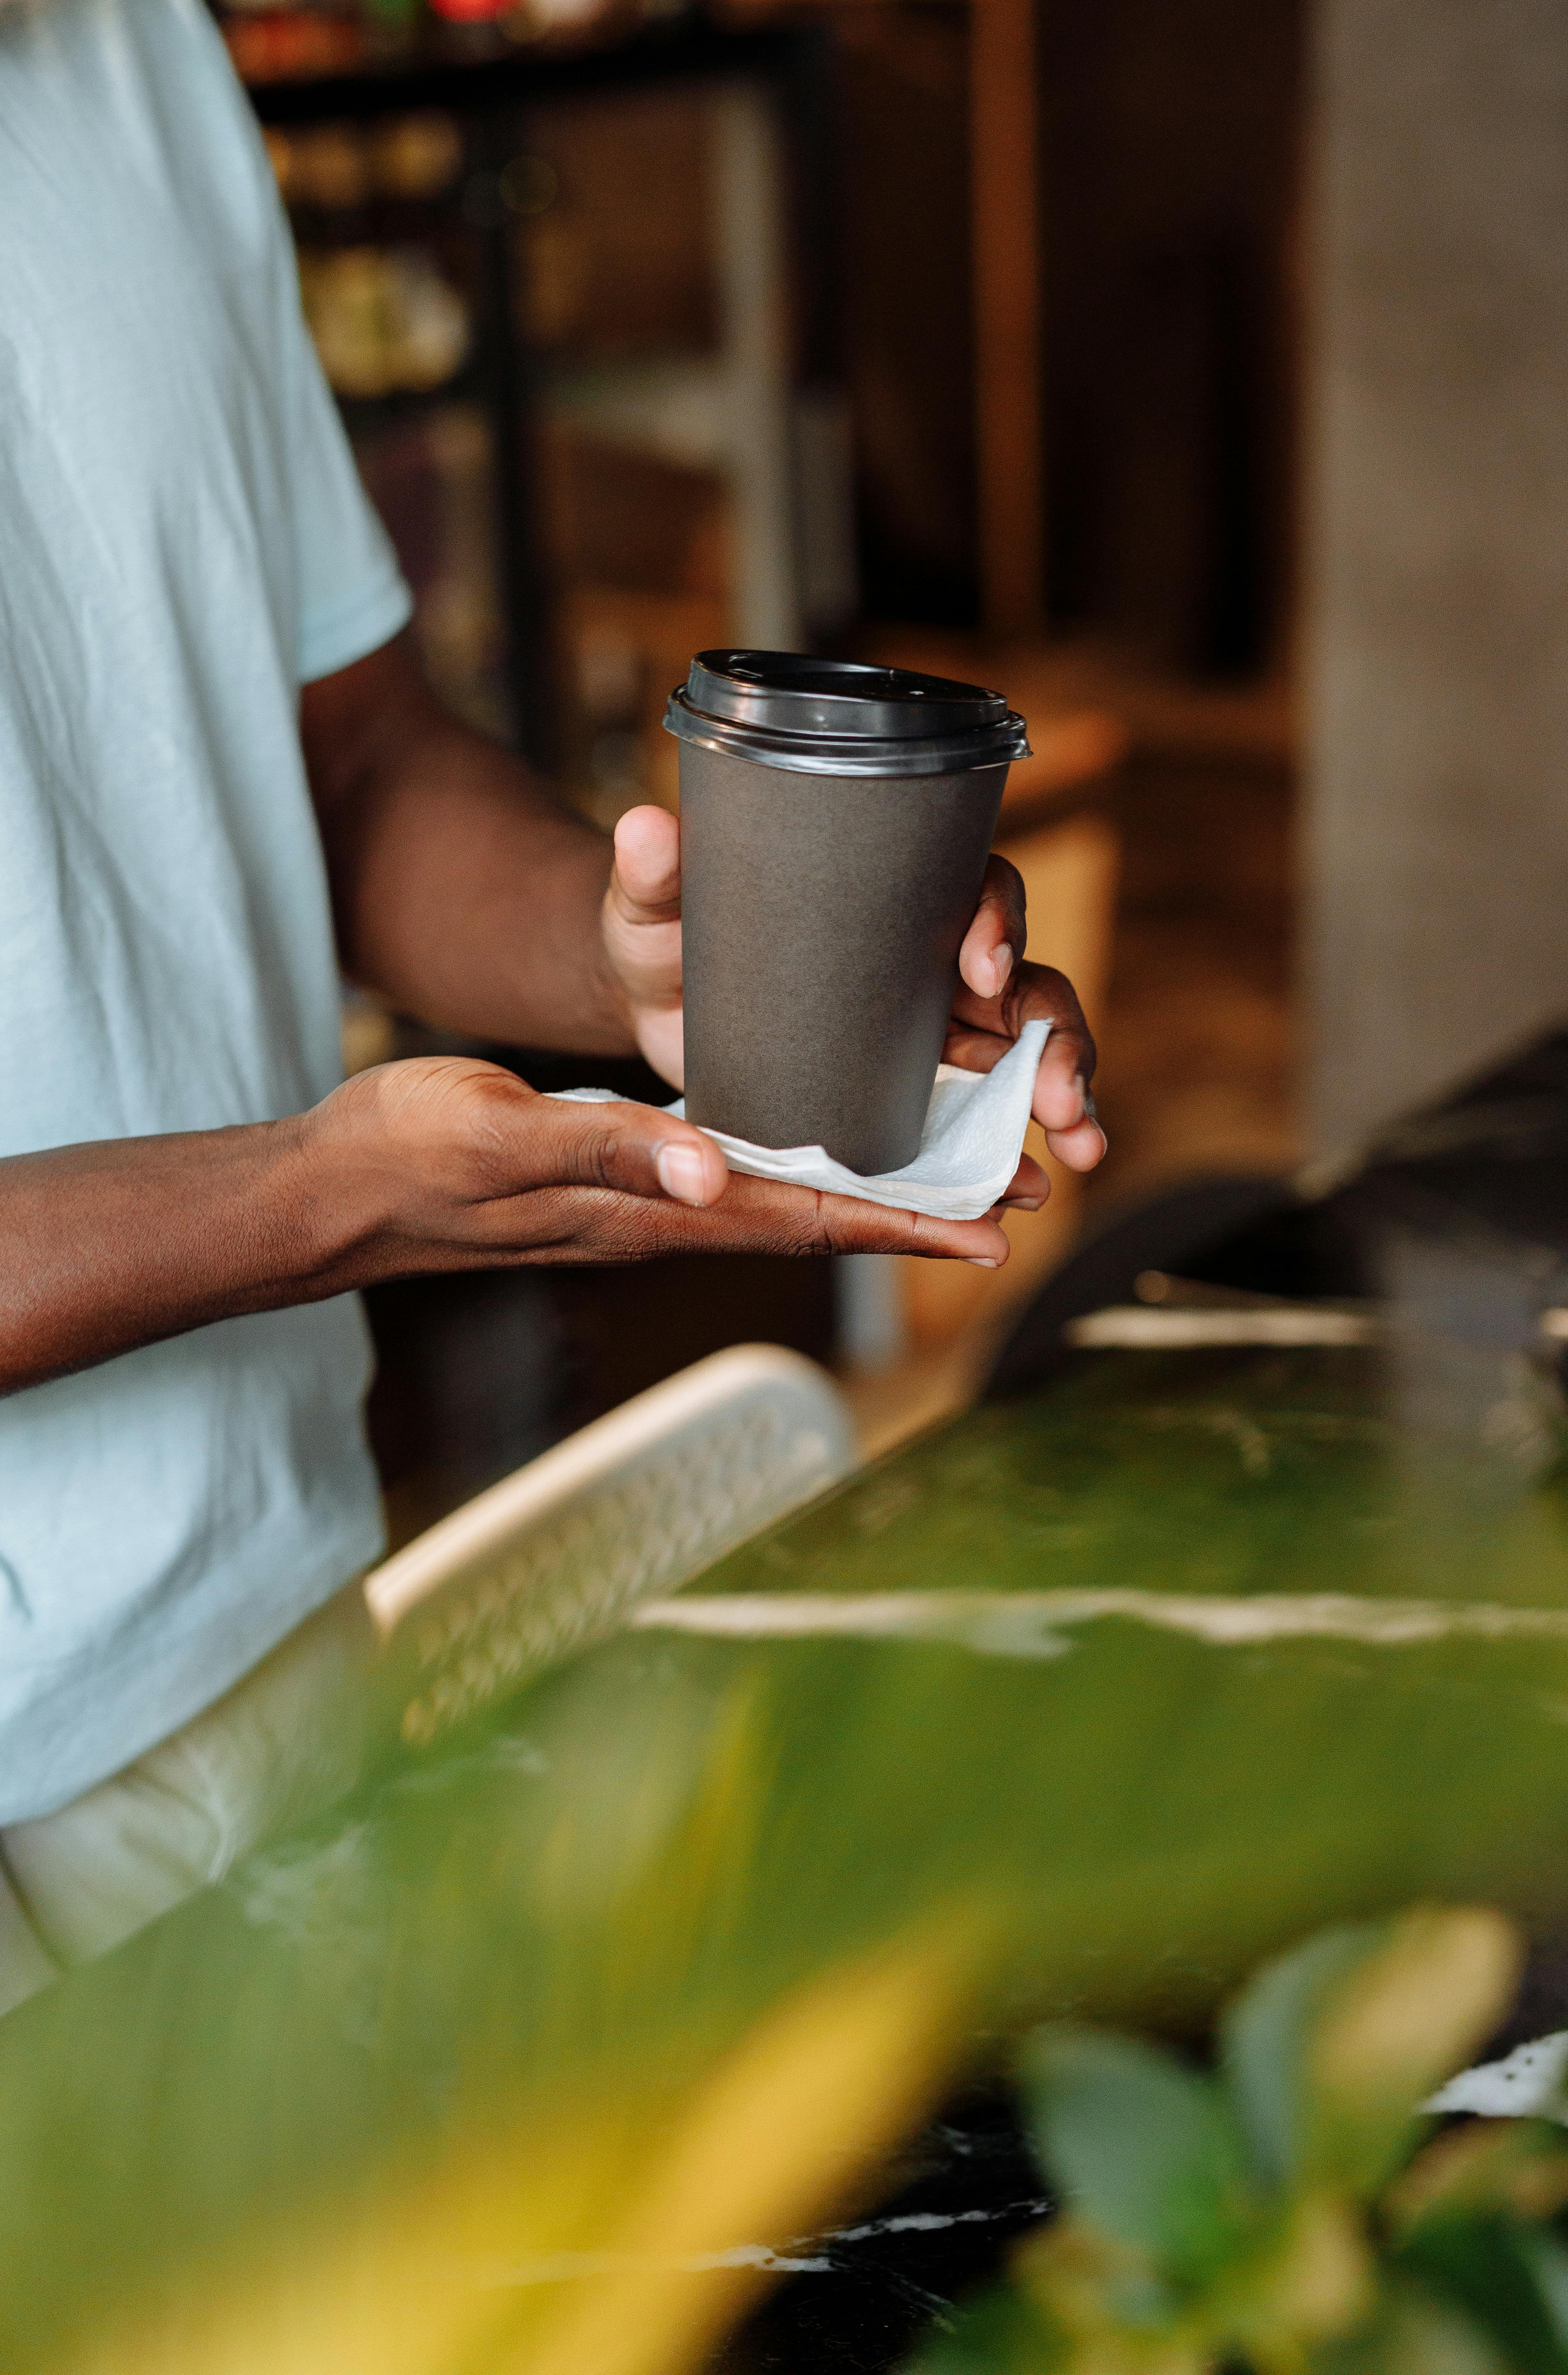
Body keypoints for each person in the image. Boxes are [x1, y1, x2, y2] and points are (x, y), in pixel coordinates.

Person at [0, 0, 1103, 2010]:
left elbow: (349, 763)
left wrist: (634, 962)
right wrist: (315, 1199)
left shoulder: (124, 48)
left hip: (250, 1621)